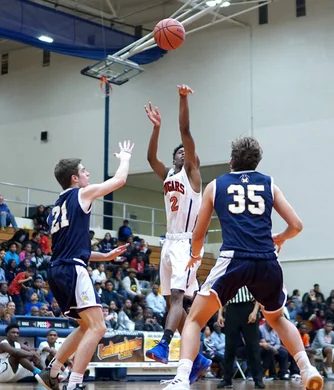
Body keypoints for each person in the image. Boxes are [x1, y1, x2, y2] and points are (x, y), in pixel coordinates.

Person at [161, 136, 322, 390]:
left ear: (231, 161)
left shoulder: (216, 186)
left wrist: (194, 255)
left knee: (193, 320)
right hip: (267, 261)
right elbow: (297, 226)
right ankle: (307, 368)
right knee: (278, 319)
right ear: (256, 162)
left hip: (233, 259)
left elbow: (199, 234)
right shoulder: (269, 184)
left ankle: (181, 379)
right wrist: (280, 237)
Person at [34, 140, 134, 390]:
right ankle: (74, 382)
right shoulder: (81, 194)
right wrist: (124, 158)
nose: (88, 173)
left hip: (58, 268)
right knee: (98, 327)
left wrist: (105, 256)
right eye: (84, 170)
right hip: (71, 269)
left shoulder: (55, 208)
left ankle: (53, 371)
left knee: (85, 326)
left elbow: (71, 248)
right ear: (74, 178)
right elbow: (119, 181)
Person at [144, 85, 210, 377]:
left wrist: (182, 99)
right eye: (180, 152)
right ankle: (198, 359)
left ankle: (164, 344)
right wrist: (156, 128)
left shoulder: (193, 176)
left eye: (188, 152)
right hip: (169, 243)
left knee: (176, 299)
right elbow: (150, 159)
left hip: (187, 244)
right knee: (174, 301)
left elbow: (185, 129)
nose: (184, 152)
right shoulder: (169, 174)